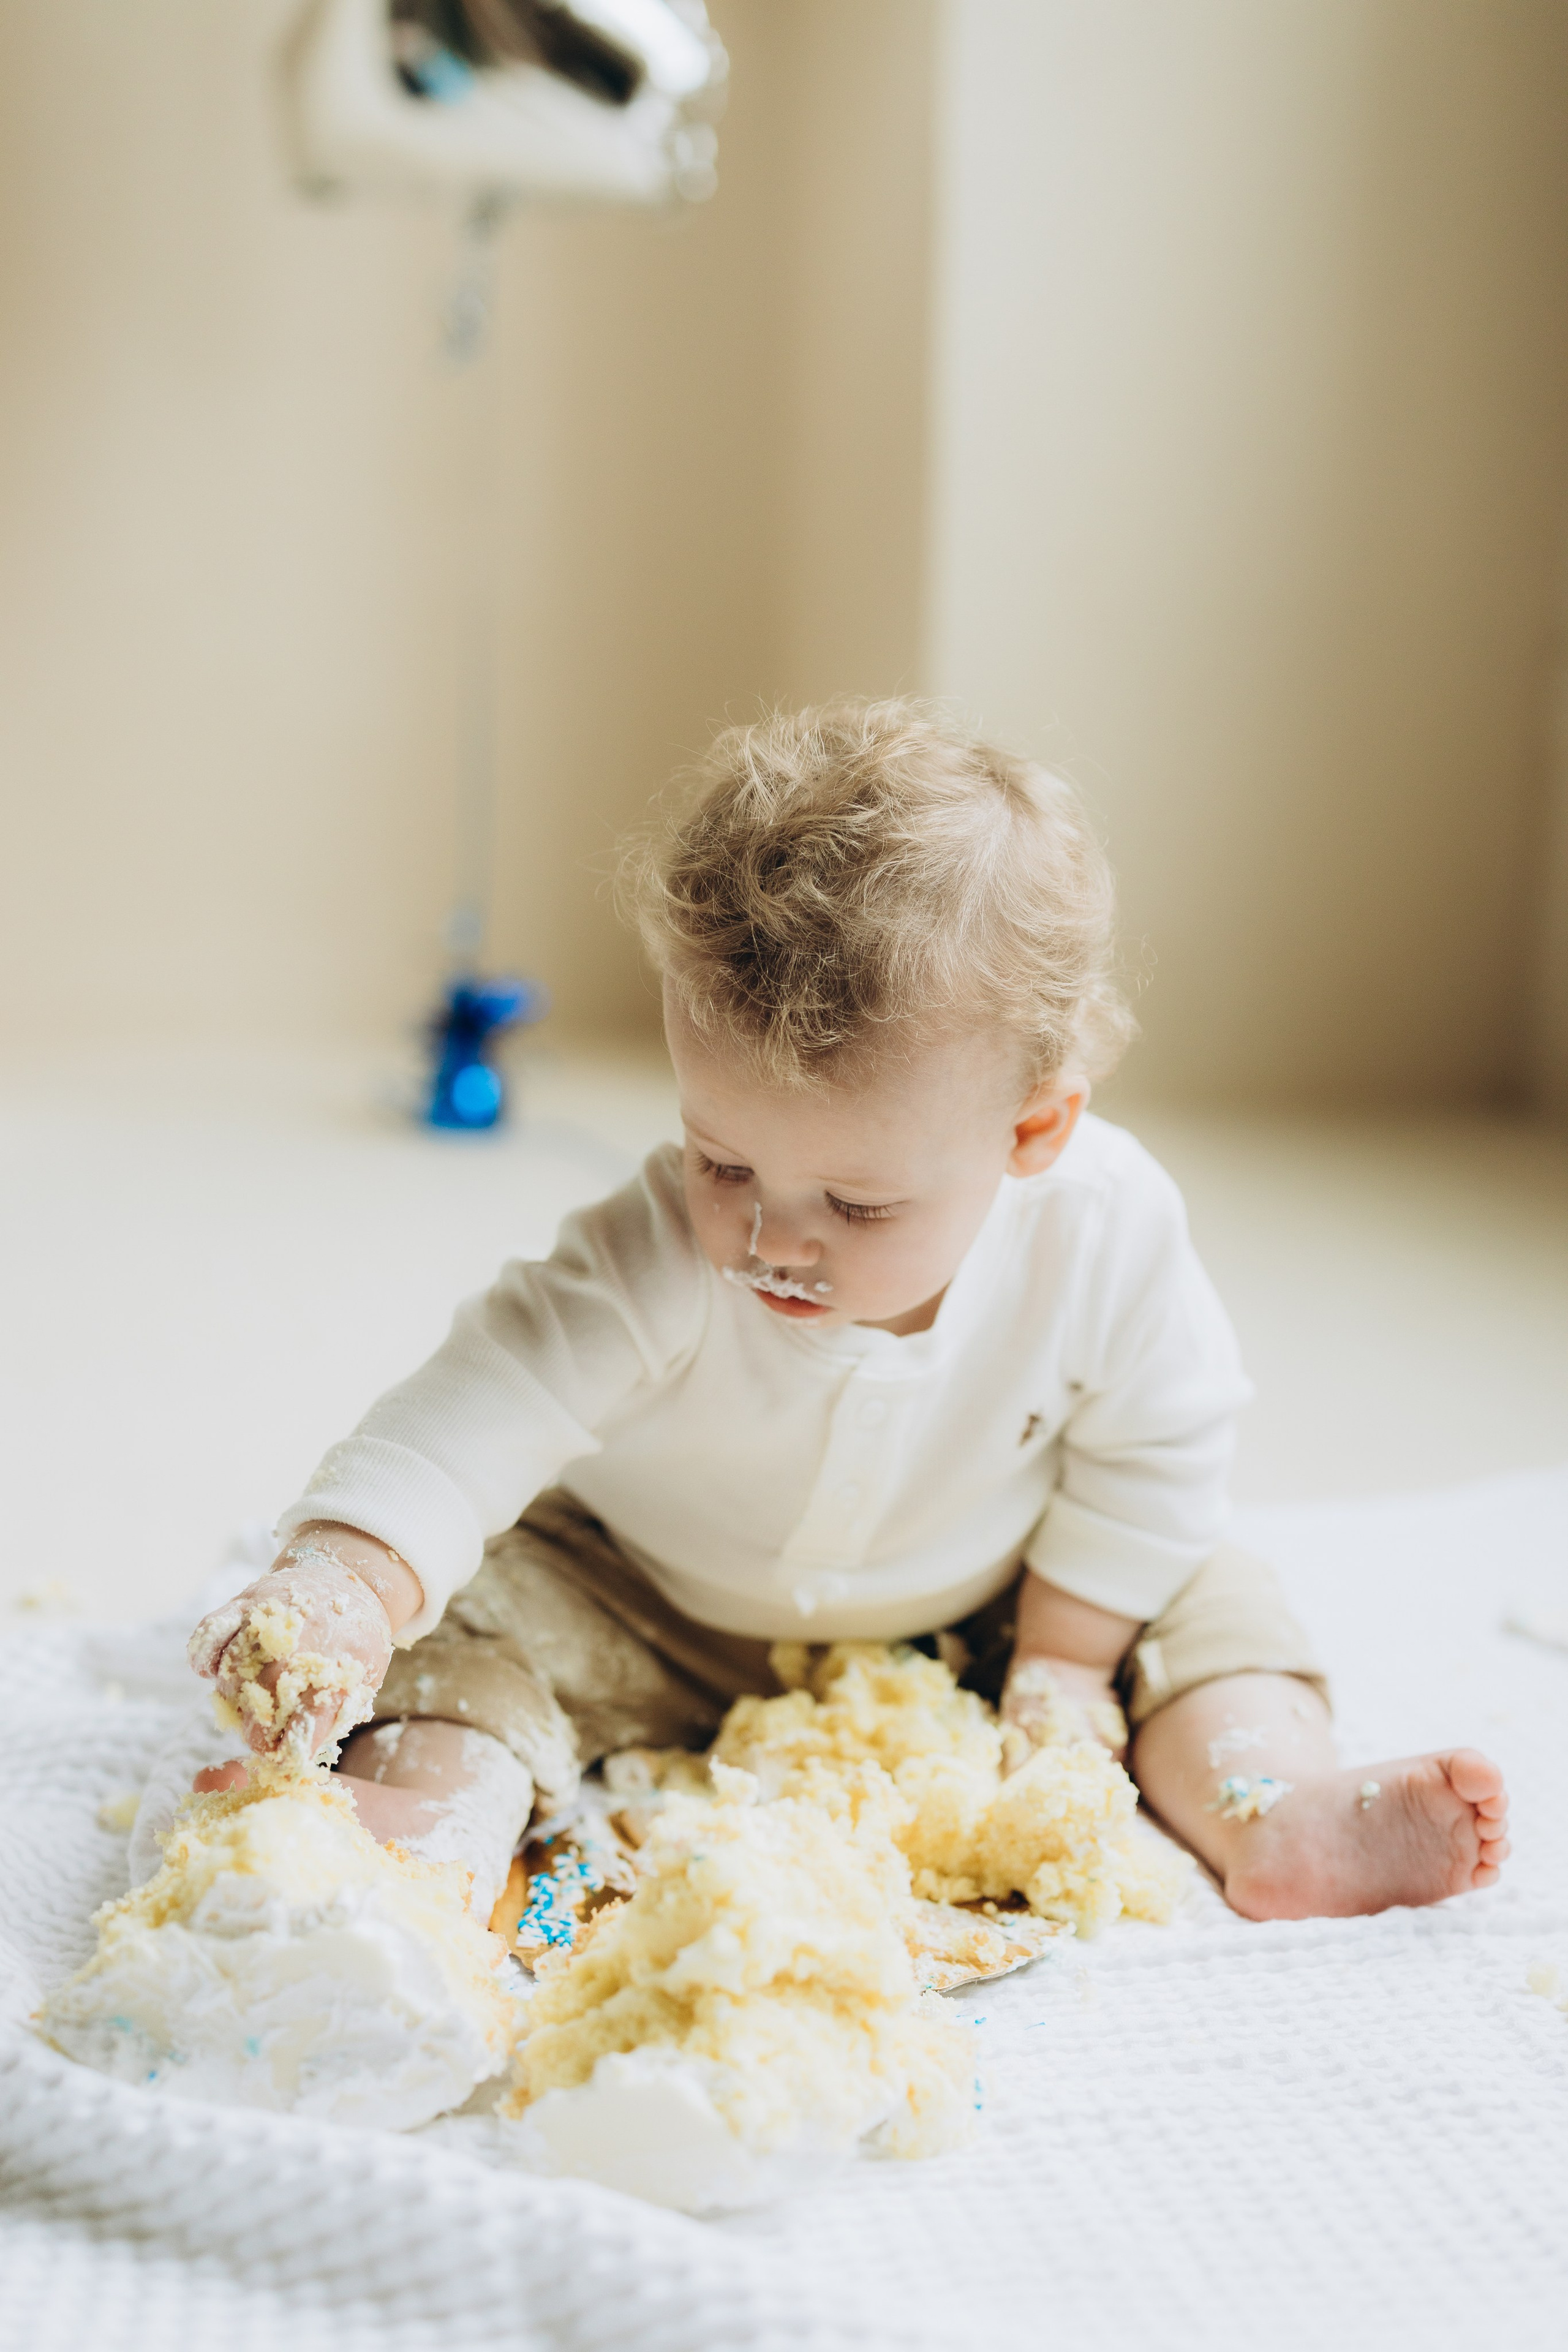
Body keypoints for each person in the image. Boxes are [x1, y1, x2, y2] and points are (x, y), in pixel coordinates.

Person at [188, 699, 1510, 1921]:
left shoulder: (1105, 1231)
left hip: (992, 1602)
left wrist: (1061, 1655)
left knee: (1210, 1596)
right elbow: (473, 1412)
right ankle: (414, 1836)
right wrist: (347, 1585)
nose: (769, 1237)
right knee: (468, 1634)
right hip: (649, 1607)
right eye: (723, 1160)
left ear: (1032, 1129)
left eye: (858, 1207)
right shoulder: (654, 1254)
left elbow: (1158, 1444)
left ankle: (1269, 1806)